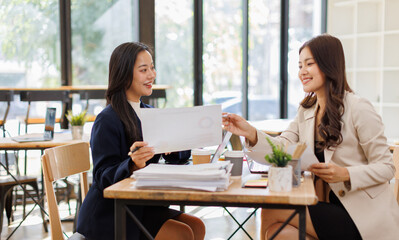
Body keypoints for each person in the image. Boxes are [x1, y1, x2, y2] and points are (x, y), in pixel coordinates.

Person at [222, 34, 399, 240]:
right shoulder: (306, 110)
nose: (302, 72)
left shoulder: (358, 107)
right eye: (299, 66)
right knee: (280, 234)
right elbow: (281, 146)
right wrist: (250, 132)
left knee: (271, 211)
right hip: (328, 206)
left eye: (309, 64)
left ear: (328, 64)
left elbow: (387, 167)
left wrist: (346, 174)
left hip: (361, 216)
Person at [77, 42, 206, 240]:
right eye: (143, 70)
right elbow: (102, 176)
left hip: (140, 206)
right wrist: (132, 164)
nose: (152, 75)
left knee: (196, 226)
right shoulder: (107, 119)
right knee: (182, 234)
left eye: (152, 68)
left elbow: (178, 157)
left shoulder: (150, 113)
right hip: (109, 214)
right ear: (124, 74)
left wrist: (173, 146)